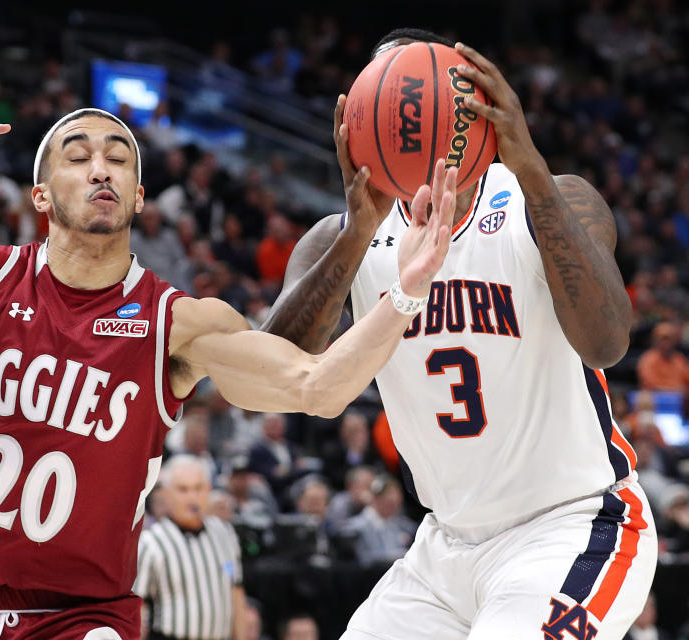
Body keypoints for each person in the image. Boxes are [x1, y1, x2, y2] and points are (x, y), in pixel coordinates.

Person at [0, 106, 455, 639]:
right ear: (40, 195)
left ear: (137, 196)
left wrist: (407, 290)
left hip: (80, 618)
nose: (101, 168)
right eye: (79, 156)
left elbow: (319, 387)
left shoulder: (180, 323)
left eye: (118, 159)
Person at [262, 27, 656, 640]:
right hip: (443, 547)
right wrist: (358, 231)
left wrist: (527, 164)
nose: (404, 118)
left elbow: (606, 345)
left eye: (414, 102)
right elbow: (280, 376)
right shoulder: (338, 239)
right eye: (386, 103)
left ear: (470, 107)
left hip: (572, 525)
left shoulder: (551, 202)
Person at [135, 455, 245, 640]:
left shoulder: (224, 533)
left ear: (209, 490)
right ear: (167, 495)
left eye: (198, 488)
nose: (193, 497)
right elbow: (138, 608)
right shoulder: (151, 542)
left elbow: (236, 593)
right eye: (183, 490)